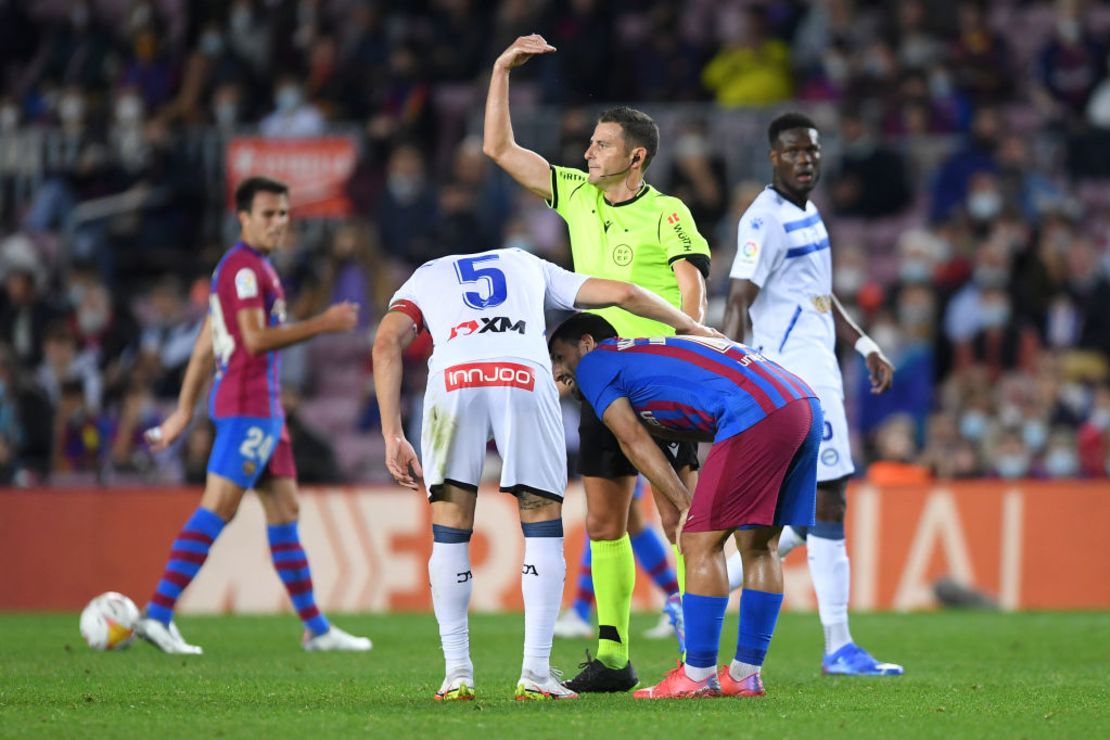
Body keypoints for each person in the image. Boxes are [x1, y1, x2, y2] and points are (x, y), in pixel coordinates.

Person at [371, 247, 719, 701]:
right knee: (541, 524)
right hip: (522, 374)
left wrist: (392, 434)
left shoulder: (426, 274)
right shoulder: (526, 262)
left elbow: (384, 345)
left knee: (450, 529)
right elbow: (625, 293)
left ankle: (457, 674)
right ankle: (535, 673)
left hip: (453, 380)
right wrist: (691, 327)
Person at [483, 34, 713, 692]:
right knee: (607, 519)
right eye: (590, 143)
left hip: (662, 380)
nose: (588, 152)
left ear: (635, 157)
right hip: (598, 381)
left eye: (602, 144)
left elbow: (691, 286)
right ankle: (613, 658)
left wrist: (691, 344)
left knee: (680, 516)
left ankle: (701, 661)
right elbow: (498, 150)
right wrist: (501, 68)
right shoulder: (578, 194)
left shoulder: (668, 211)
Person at [136, 176, 371, 655]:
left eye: (284, 214)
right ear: (243, 217)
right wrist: (322, 324)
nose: (278, 222)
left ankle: (317, 629)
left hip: (263, 410)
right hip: (248, 407)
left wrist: (183, 413)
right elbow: (253, 339)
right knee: (218, 506)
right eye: (268, 214)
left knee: (285, 511)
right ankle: (158, 613)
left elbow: (206, 346)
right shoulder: (244, 270)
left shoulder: (250, 269)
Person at [548, 314, 821, 699]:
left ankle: (697, 675)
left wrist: (683, 502)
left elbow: (632, 442)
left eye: (560, 357)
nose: (560, 372)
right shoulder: (649, 354)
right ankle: (744, 674)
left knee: (697, 542)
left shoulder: (597, 363)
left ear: (588, 343)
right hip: (801, 402)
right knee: (760, 546)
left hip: (756, 412)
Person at [722, 112, 903, 676]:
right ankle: (838, 646)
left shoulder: (809, 212)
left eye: (813, 152)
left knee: (803, 516)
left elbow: (820, 296)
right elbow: (736, 301)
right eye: (795, 152)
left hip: (821, 368)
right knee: (828, 501)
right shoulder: (765, 222)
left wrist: (865, 343)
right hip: (796, 379)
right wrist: (723, 381)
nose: (806, 160)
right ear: (774, 158)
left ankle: (690, 595)